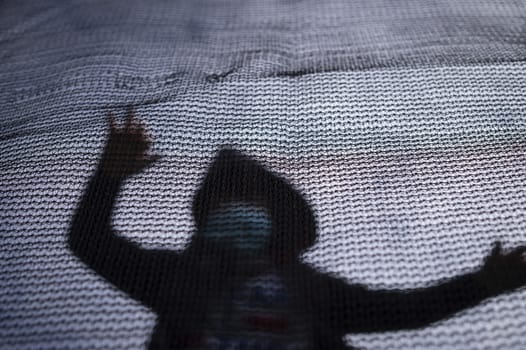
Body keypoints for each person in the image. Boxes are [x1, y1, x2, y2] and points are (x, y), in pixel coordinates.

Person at [69, 109, 526, 349]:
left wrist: (481, 284)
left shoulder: (312, 289)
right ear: (206, 220)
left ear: (273, 220)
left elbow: (401, 310)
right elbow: (90, 243)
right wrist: (109, 176)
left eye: (249, 200)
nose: (236, 207)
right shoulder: (174, 275)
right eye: (223, 202)